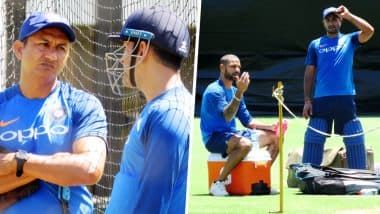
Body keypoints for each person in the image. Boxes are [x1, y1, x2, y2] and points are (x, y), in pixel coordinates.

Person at [0, 12, 108, 213]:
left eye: (61, 48)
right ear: (18, 49)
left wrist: (19, 161)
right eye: (43, 44)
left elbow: (90, 169)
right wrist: (58, 165)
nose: (51, 56)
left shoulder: (82, 104)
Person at [104, 6, 192, 213]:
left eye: (126, 47)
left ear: (141, 49)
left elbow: (153, 205)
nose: (122, 58)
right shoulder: (162, 108)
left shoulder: (169, 114)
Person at [302, 5, 374, 169]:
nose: (331, 23)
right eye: (328, 20)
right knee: (314, 136)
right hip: (321, 99)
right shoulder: (315, 44)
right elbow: (309, 73)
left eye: (335, 19)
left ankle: (359, 175)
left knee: (353, 135)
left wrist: (349, 15)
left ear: (340, 21)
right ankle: (307, 176)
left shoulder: (349, 39)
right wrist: (307, 100)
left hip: (345, 98)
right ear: (324, 23)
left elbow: (369, 31)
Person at [200, 54, 279, 196]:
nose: (237, 70)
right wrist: (240, 92)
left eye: (239, 67)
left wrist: (270, 127)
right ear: (222, 67)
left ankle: (261, 179)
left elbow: (247, 121)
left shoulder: (236, 91)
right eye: (233, 66)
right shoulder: (214, 91)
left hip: (233, 134)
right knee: (245, 144)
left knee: (276, 138)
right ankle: (218, 183)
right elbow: (227, 115)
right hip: (214, 138)